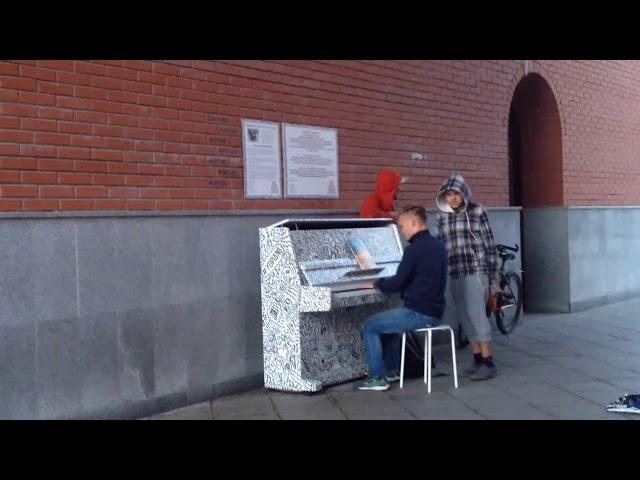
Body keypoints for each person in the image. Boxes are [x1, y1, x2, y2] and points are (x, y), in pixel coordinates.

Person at [357, 206, 447, 391]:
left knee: (369, 326)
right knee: (389, 325)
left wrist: (375, 284)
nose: (401, 230)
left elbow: (397, 283)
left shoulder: (414, 249)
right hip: (435, 312)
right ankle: (393, 371)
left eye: (403, 226)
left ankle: (377, 378)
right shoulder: (438, 245)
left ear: (414, 223)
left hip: (418, 312)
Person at [435, 172, 500, 381]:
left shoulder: (477, 211)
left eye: (456, 193)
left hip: (475, 271)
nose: (452, 198)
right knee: (465, 317)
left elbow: (489, 244)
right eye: (448, 194)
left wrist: (493, 278)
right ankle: (477, 358)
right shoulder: (442, 216)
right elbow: (439, 244)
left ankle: (489, 362)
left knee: (477, 315)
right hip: (455, 272)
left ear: (464, 193)